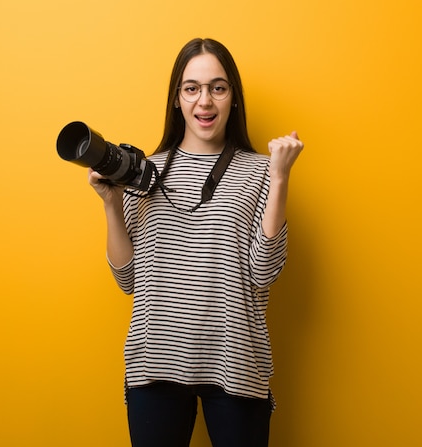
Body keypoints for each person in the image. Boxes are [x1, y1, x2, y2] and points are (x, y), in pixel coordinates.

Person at [88, 37, 304, 447]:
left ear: (233, 98)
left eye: (217, 88)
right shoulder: (143, 172)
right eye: (192, 88)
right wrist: (112, 204)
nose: (204, 101)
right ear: (177, 98)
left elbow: (264, 271)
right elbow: (127, 279)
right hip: (155, 361)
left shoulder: (262, 170)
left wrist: (279, 179)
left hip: (235, 359)